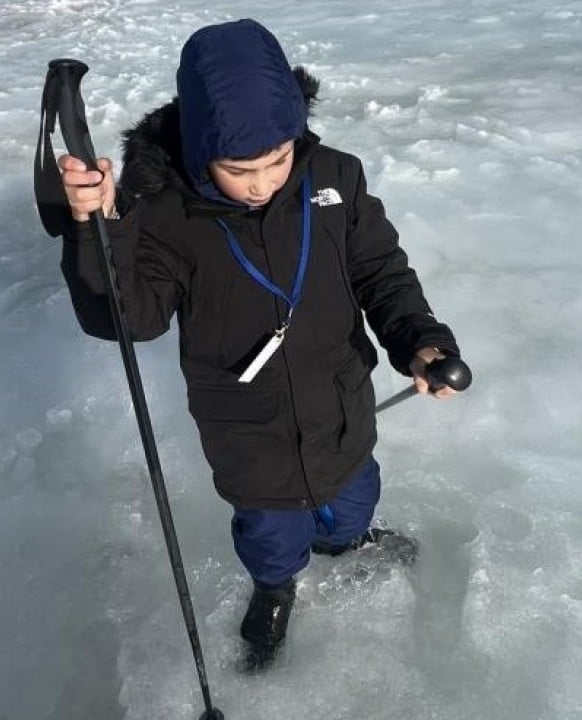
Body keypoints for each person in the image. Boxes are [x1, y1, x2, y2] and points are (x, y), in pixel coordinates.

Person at [56, 18, 463, 670]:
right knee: (271, 533)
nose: (265, 180)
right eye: (241, 168)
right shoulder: (163, 211)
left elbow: (380, 274)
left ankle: (347, 544)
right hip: (247, 422)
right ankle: (275, 588)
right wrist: (97, 227)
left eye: (278, 157)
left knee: (353, 497)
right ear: (197, 150)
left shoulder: (335, 177)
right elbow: (130, 319)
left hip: (339, 400)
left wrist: (422, 344)